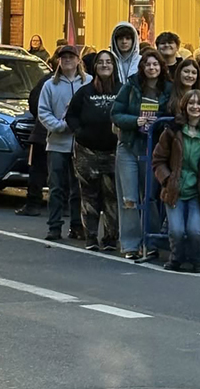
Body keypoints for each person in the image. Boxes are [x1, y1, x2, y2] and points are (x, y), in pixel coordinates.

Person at [112, 49, 173, 258]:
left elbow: (173, 114)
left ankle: (152, 241)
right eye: (148, 65)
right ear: (142, 67)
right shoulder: (131, 86)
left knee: (150, 197)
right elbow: (115, 113)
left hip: (155, 149)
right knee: (129, 198)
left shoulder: (169, 89)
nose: (152, 68)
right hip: (129, 146)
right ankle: (130, 245)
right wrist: (134, 121)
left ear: (161, 67)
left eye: (155, 64)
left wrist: (160, 122)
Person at [152, 89, 200, 272]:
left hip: (198, 192)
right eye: (191, 103)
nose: (195, 107)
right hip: (175, 189)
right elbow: (158, 160)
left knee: (194, 230)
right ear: (184, 106)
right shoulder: (172, 131)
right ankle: (176, 258)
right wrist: (167, 180)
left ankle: (198, 259)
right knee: (176, 230)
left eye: (199, 104)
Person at [65, 49, 120, 251]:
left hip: (113, 151)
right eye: (101, 62)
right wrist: (79, 132)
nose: (105, 65)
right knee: (89, 196)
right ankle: (91, 237)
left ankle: (111, 238)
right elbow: (71, 115)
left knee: (112, 196)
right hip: (87, 152)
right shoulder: (85, 91)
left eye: (108, 62)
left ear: (114, 67)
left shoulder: (122, 90)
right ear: (95, 67)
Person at [37, 45, 87, 242]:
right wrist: (59, 126)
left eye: (71, 57)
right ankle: (54, 226)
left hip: (80, 144)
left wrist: (81, 127)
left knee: (78, 188)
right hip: (58, 143)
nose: (67, 60)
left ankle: (77, 225)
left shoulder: (88, 82)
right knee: (57, 187)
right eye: (63, 57)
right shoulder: (50, 85)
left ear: (78, 60)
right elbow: (43, 112)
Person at [17, 49, 56, 217]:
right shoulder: (77, 82)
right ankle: (64, 206)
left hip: (42, 132)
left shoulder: (46, 81)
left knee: (37, 170)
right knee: (61, 172)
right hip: (61, 135)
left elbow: (34, 103)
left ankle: (33, 203)